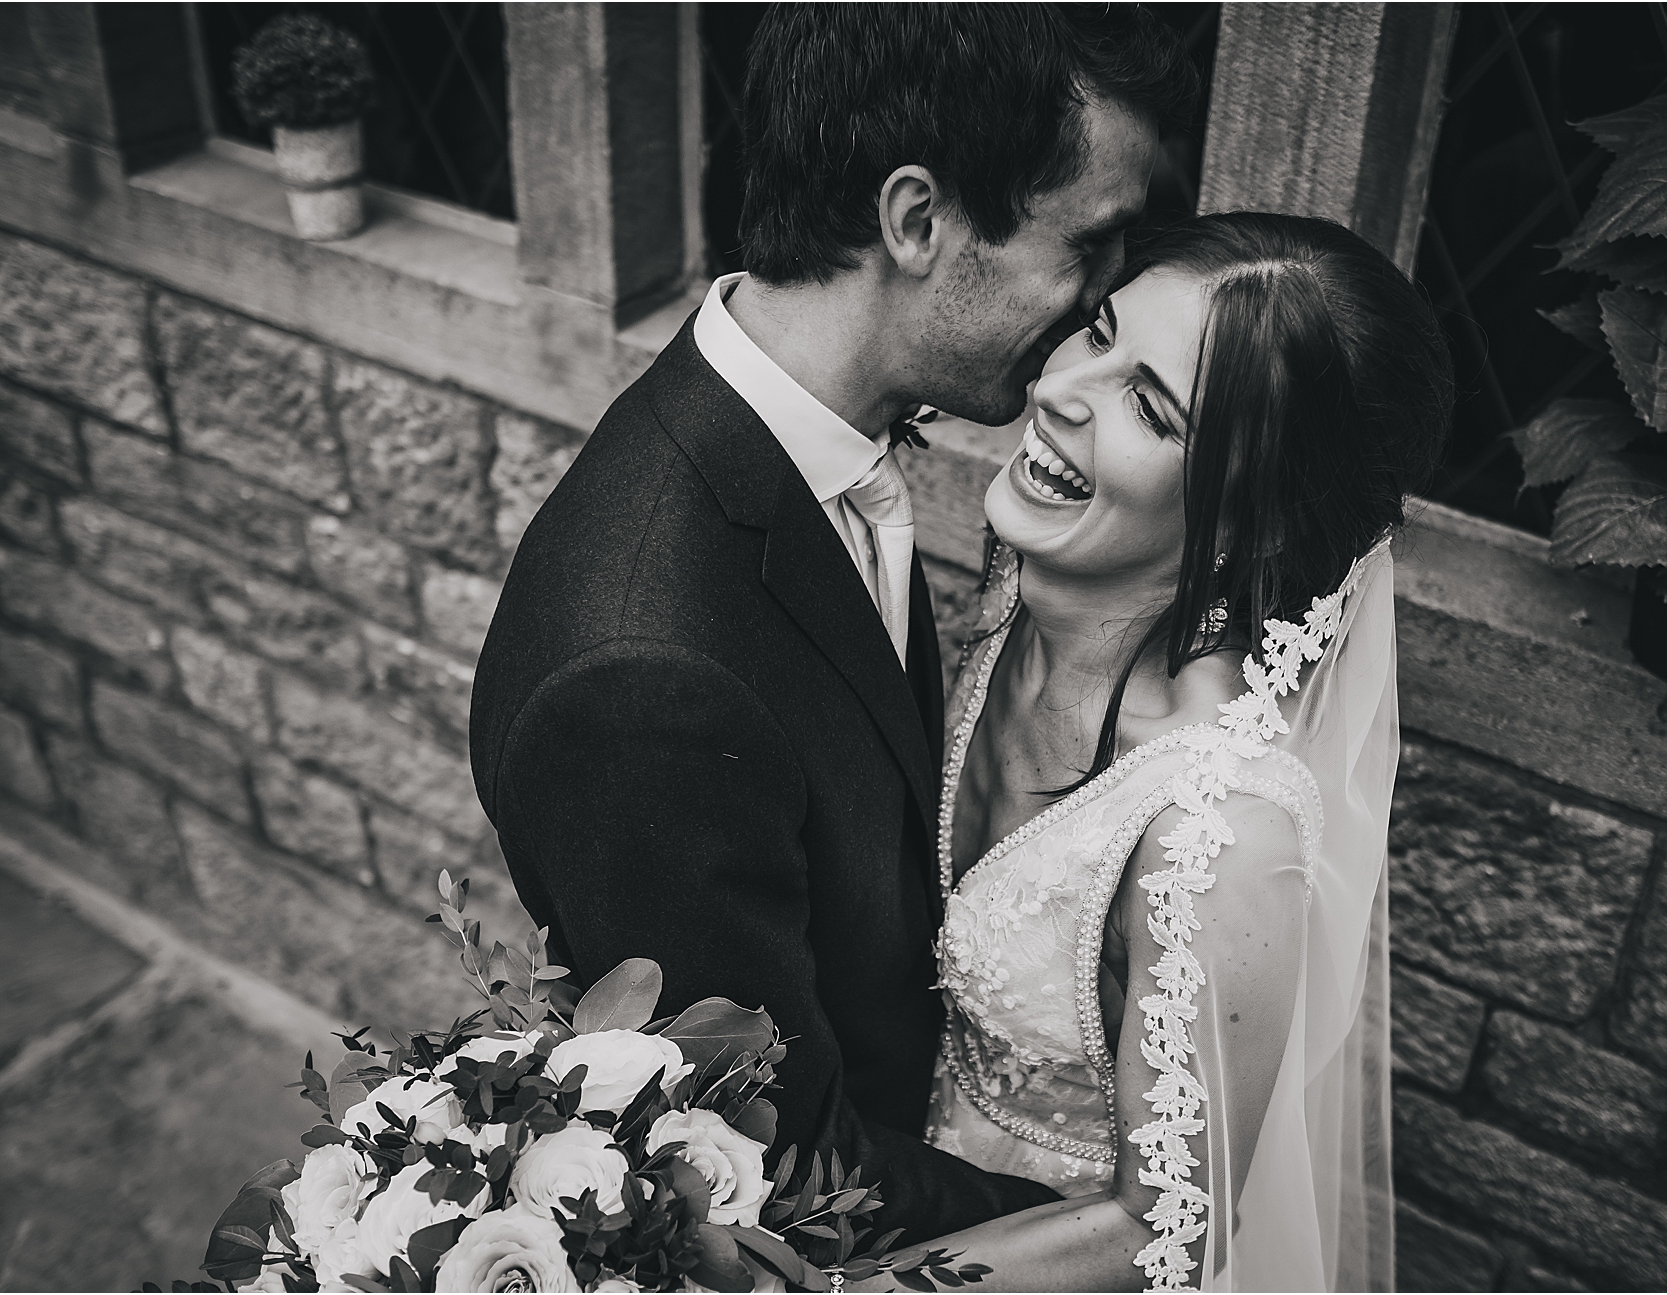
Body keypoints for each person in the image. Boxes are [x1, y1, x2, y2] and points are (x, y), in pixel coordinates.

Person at [467, 4, 1195, 1244]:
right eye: (1089, 246)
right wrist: (1116, 1229)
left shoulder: (807, 450)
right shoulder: (643, 683)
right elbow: (779, 1174)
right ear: (917, 220)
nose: (1094, 308)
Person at [906, 211, 1453, 1291]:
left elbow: (1162, 1229)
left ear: (1255, 521)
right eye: (1097, 331)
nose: (1062, 387)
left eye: (1149, 406)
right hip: (886, 1174)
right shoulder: (1019, 577)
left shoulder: (1221, 838)